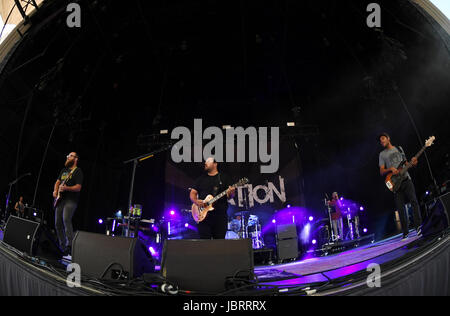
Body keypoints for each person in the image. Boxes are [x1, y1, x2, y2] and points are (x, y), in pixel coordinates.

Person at [378, 133, 422, 240]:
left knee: (414, 201)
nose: (382, 141)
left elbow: (405, 162)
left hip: (406, 179)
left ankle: (418, 227)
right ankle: (405, 232)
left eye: (383, 138)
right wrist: (390, 169)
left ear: (388, 138)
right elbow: (381, 171)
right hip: (396, 183)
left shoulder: (399, 148)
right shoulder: (382, 154)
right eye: (380, 140)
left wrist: (413, 163)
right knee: (400, 209)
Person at [189, 157, 236, 239]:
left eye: (208, 161)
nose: (205, 163)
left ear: (215, 164)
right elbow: (193, 193)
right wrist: (196, 201)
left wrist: (231, 193)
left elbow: (230, 196)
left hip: (220, 217)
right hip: (203, 217)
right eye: (205, 162)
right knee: (204, 244)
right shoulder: (200, 179)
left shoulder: (224, 178)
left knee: (219, 243)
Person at [53, 152, 83, 257]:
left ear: (75, 159)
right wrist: (55, 191)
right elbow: (57, 182)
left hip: (71, 200)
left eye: (70, 156)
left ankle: (70, 245)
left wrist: (66, 188)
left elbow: (78, 187)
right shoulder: (64, 170)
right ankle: (63, 248)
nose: (67, 157)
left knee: (66, 219)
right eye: (68, 156)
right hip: (60, 199)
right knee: (57, 223)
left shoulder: (77, 171)